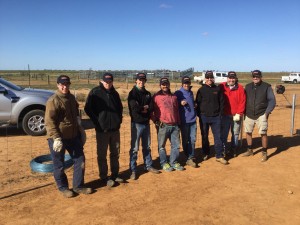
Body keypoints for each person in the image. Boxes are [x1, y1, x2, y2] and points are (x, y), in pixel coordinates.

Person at [45, 75, 92, 198]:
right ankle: (63, 188)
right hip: (58, 138)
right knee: (59, 164)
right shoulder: (53, 101)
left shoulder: (71, 98)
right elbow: (49, 122)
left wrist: (80, 128)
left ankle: (78, 186)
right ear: (58, 85)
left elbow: (76, 114)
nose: (64, 87)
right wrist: (56, 138)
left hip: (73, 136)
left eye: (67, 84)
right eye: (62, 84)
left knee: (80, 160)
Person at [84, 73, 124, 187]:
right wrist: (97, 122)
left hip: (115, 130)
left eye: (110, 81)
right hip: (102, 130)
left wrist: (118, 121)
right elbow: (87, 108)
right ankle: (104, 176)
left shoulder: (115, 93)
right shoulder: (95, 92)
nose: (108, 83)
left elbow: (120, 108)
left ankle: (115, 174)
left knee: (115, 153)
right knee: (102, 155)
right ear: (102, 81)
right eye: (106, 82)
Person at [128, 73, 160, 180]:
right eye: (139, 80)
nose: (141, 82)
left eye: (143, 80)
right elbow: (134, 108)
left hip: (146, 123)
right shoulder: (132, 93)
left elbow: (151, 107)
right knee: (134, 148)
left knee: (147, 146)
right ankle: (133, 170)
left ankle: (148, 165)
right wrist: (143, 108)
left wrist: (143, 107)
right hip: (136, 124)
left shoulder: (147, 94)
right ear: (136, 81)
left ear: (145, 81)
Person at [151, 77, 184, 172]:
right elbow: (150, 111)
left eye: (166, 84)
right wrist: (155, 121)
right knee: (162, 146)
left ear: (169, 84)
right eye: (163, 84)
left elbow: (176, 110)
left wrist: (178, 122)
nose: (165, 86)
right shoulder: (156, 97)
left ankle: (173, 162)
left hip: (175, 125)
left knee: (176, 145)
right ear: (160, 85)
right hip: (163, 125)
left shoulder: (174, 97)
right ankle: (164, 163)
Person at [242, 70, 276, 162]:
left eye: (257, 76)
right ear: (252, 77)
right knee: (248, 132)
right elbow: (243, 99)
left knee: (263, 133)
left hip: (261, 114)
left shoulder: (266, 87)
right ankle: (250, 150)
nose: (255, 78)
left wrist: (267, 112)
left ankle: (264, 152)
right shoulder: (248, 86)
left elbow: (272, 100)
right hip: (249, 114)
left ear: (261, 77)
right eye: (254, 76)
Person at [195, 71, 228, 165]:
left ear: (213, 78)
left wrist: (220, 114)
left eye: (211, 77)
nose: (209, 79)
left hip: (216, 117)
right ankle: (205, 153)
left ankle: (219, 155)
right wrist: (200, 114)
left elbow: (222, 102)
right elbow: (197, 103)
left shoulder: (217, 89)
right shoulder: (201, 90)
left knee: (218, 137)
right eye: (208, 78)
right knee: (204, 136)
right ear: (205, 79)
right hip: (204, 117)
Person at [219, 71, 246, 157]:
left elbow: (243, 101)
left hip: (236, 116)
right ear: (227, 78)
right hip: (225, 115)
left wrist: (239, 113)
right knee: (224, 133)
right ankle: (223, 150)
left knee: (235, 133)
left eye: (233, 78)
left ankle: (233, 149)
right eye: (230, 78)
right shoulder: (221, 86)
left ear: (236, 79)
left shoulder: (240, 88)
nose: (231, 80)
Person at [174, 76, 197, 168]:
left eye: (188, 83)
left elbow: (192, 102)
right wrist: (180, 102)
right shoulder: (178, 93)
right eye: (185, 83)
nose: (186, 85)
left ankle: (190, 157)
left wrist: (195, 104)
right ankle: (188, 156)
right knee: (185, 140)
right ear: (182, 84)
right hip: (184, 121)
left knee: (192, 139)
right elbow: (174, 103)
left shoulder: (191, 92)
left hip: (193, 120)